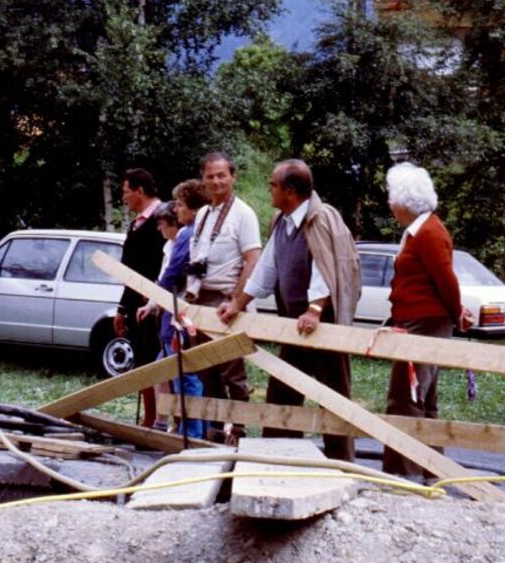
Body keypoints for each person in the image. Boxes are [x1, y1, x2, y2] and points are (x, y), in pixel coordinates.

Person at [218, 160, 361, 462]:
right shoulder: (282, 221)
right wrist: (237, 304)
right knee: (282, 394)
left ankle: (344, 465)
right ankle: (280, 458)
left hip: (323, 324)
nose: (269, 189)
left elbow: (328, 270)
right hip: (294, 325)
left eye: (273, 184)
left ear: (291, 191)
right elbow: (265, 269)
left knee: (334, 397)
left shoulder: (320, 219)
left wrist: (314, 310)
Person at [381, 162, 473, 477]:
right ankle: (431, 470)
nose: (390, 204)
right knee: (424, 399)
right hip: (415, 322)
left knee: (405, 398)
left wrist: (456, 313)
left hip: (425, 323)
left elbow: (446, 280)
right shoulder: (418, 231)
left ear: (404, 201)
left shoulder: (430, 232)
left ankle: (402, 475)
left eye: (392, 197)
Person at [186, 151, 263, 441]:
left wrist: (237, 301)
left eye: (222, 175)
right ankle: (215, 431)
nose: (216, 181)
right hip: (201, 301)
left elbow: (253, 260)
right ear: (203, 179)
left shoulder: (243, 214)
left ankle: (239, 430)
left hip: (227, 300)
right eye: (210, 176)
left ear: (233, 176)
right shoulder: (204, 214)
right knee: (207, 370)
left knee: (233, 371)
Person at [138, 198, 204, 438]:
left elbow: (170, 278)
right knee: (164, 370)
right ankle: (168, 424)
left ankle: (191, 432)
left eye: (163, 224)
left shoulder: (185, 238)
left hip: (180, 318)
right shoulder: (173, 245)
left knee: (184, 375)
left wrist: (153, 299)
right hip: (170, 316)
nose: (159, 229)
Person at [114, 168, 165, 427]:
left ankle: (157, 420)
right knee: (142, 359)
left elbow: (164, 264)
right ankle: (150, 418)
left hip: (154, 303)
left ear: (139, 191)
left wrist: (155, 298)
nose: (123, 198)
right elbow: (129, 271)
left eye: (125, 192)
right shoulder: (138, 223)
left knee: (155, 360)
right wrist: (122, 308)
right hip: (135, 302)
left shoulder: (162, 218)